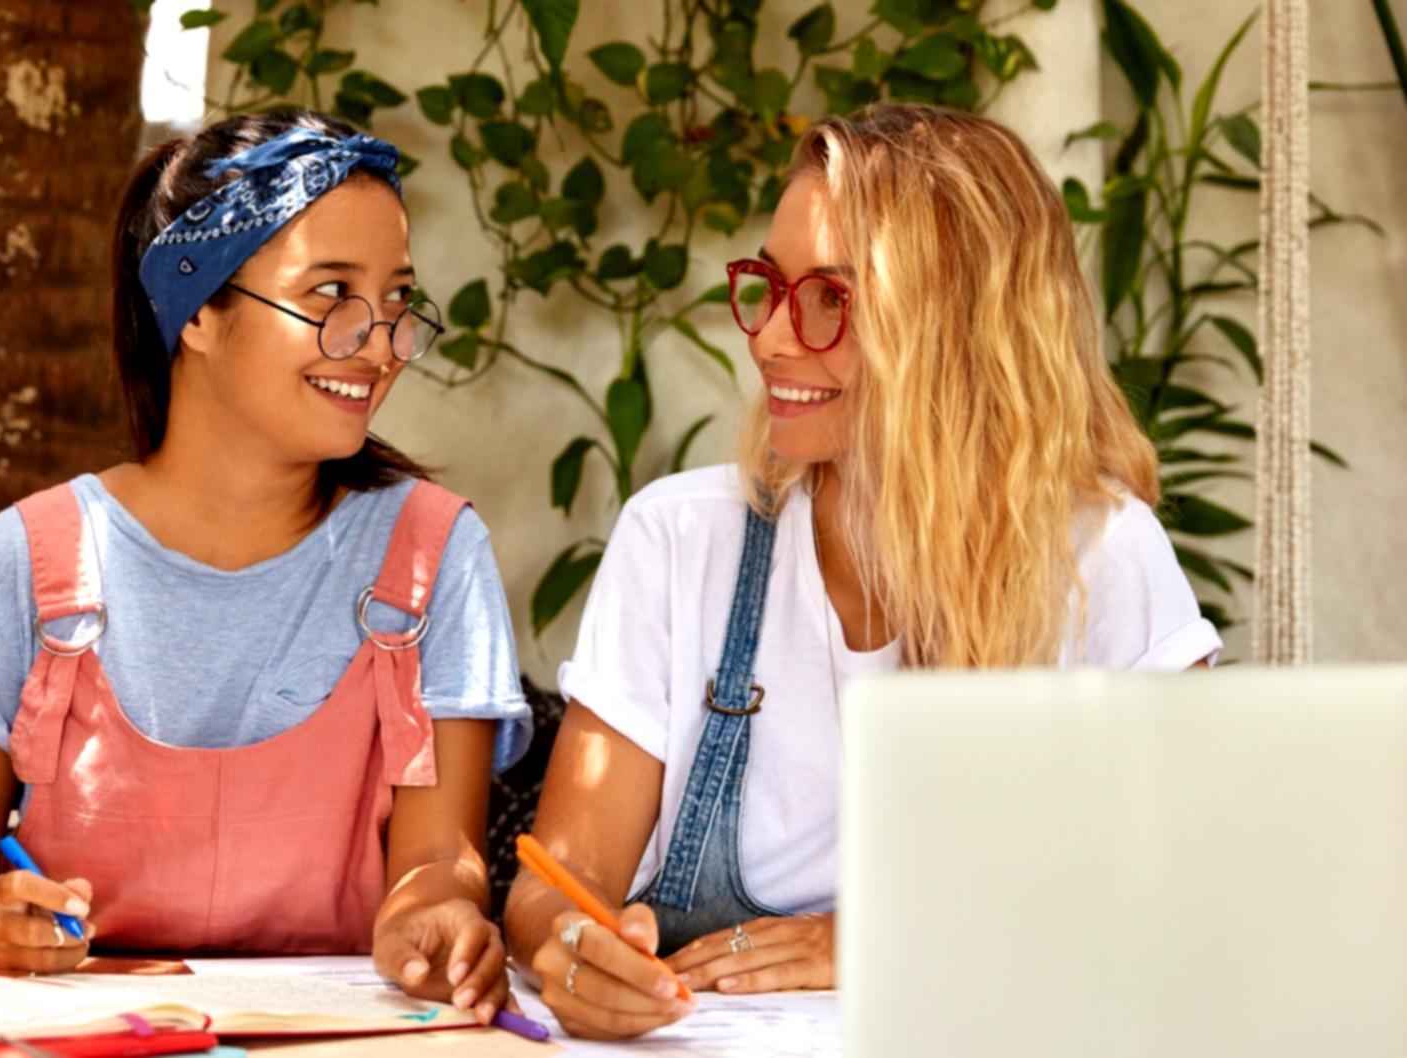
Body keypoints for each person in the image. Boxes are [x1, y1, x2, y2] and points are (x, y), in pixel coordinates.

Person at [504, 102, 1223, 1040]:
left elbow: (1193, 904)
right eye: (769, 283)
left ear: (963, 327)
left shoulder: (1098, 558)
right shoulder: (680, 540)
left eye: (832, 298)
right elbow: (552, 888)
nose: (768, 338)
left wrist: (893, 936)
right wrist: (571, 951)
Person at [0, 110, 529, 1024]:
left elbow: (438, 866)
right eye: (331, 296)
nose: (380, 344)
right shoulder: (26, 558)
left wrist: (433, 920)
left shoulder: (435, 555)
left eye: (396, 302)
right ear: (195, 311)